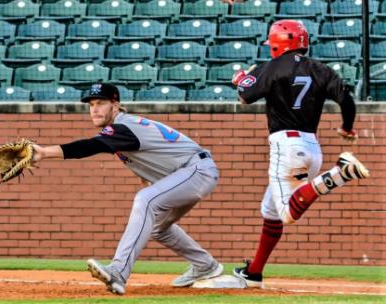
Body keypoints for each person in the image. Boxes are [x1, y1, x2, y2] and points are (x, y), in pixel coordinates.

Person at [31, 83, 223, 295]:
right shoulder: (122, 129)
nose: (94, 109)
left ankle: (118, 271)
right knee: (158, 227)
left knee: (145, 200)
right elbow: (149, 159)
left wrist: (44, 152)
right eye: (91, 104)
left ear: (116, 105)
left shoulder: (122, 127)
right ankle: (205, 265)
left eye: (101, 103)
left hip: (196, 170)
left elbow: (90, 146)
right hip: (187, 174)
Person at [230, 20, 370, 288]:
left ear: (277, 43)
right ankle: (254, 272)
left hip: (286, 145)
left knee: (286, 214)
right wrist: (347, 127)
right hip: (311, 146)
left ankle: (339, 173)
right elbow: (346, 99)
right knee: (270, 209)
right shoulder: (321, 69)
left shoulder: (270, 67)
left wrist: (239, 80)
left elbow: (245, 96)